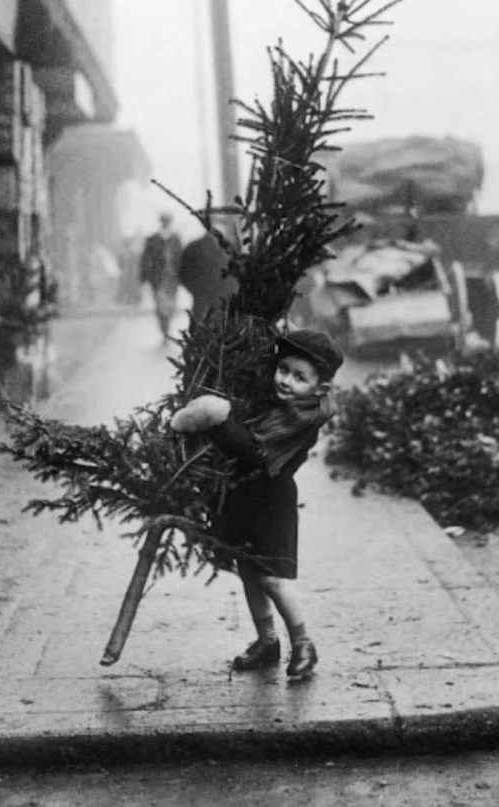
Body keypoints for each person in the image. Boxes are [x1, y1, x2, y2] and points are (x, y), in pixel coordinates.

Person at [170, 328, 343, 679]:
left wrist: (219, 420)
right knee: (249, 572)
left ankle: (304, 644)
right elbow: (250, 415)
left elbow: (256, 454)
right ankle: (267, 641)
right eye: (283, 370)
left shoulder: (304, 418)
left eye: (300, 377)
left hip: (271, 502)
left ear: (319, 389)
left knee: (273, 579)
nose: (286, 381)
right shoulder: (277, 404)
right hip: (246, 497)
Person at [139, 212, 182, 342]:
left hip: (172, 279)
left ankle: (167, 325)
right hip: (158, 279)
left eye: (167, 222)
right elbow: (145, 260)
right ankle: (164, 329)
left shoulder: (176, 240)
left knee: (171, 305)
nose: (166, 224)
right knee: (159, 305)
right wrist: (144, 278)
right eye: (164, 222)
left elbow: (181, 259)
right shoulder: (152, 240)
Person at [179, 227, 238, 321]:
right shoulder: (194, 247)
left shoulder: (228, 247)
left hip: (215, 298)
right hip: (206, 298)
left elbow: (235, 273)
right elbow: (184, 271)